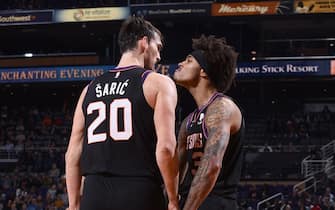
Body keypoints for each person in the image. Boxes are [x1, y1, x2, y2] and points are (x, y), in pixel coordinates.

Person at [65, 16, 179, 210]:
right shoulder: (158, 83)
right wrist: (173, 199)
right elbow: (166, 148)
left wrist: (74, 203)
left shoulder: (89, 88)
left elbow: (72, 154)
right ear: (144, 42)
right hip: (139, 191)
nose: (159, 56)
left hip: (94, 194)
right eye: (158, 47)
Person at [173, 35, 245, 210]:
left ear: (204, 71)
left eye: (189, 61)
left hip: (216, 202)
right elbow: (177, 173)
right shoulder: (188, 121)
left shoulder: (223, 107)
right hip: (191, 199)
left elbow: (212, 166)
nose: (181, 63)